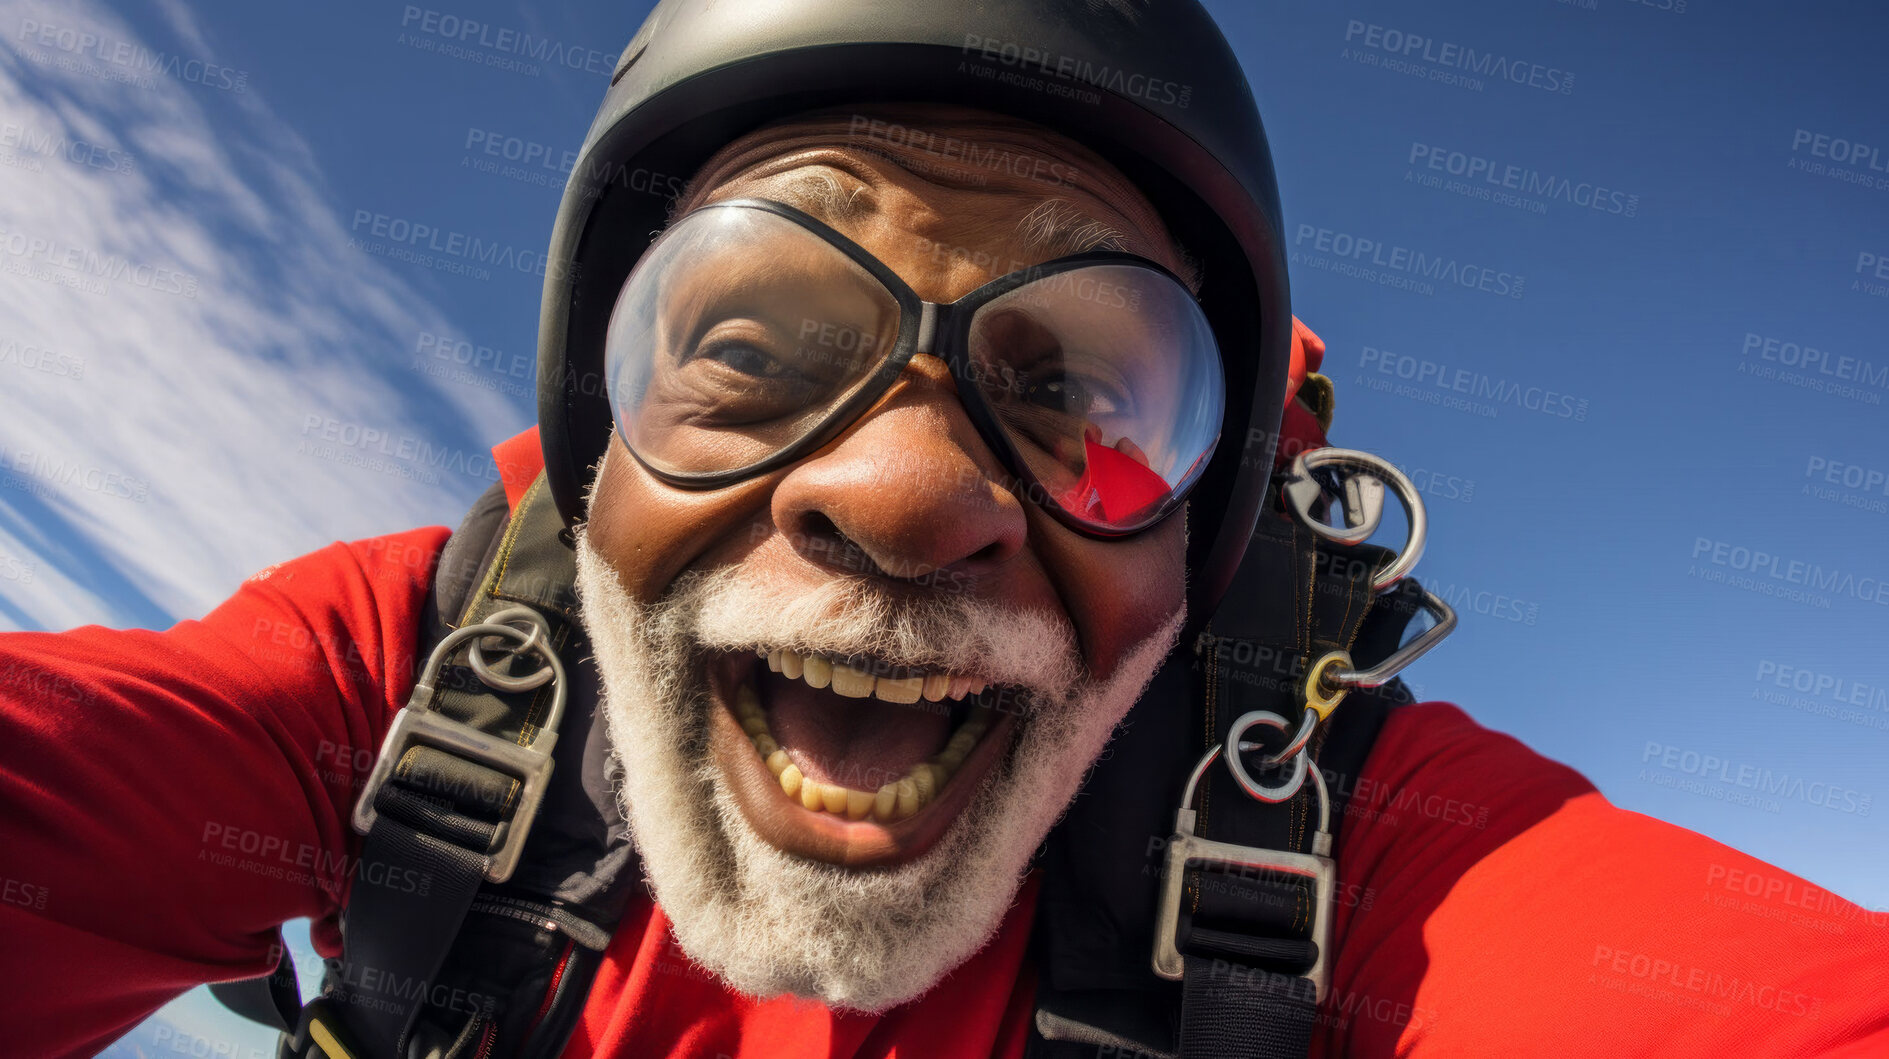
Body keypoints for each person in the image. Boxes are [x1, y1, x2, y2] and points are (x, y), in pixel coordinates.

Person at [3, 1, 1886, 1057]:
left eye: (1079, 388)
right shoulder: (418, 683)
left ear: (1209, 530)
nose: (902, 494)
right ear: (598, 437)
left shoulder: (1344, 839)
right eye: (749, 344)